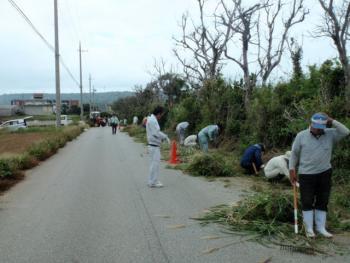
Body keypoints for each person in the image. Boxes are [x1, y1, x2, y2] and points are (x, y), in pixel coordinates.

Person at [289, 113, 349, 238]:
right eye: (316, 127)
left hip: (325, 173)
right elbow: (294, 154)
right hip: (306, 174)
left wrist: (332, 121)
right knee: (307, 201)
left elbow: (346, 132)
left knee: (323, 201)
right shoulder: (301, 136)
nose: (318, 130)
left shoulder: (330, 134)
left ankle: (321, 228)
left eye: (321, 127)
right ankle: (309, 229)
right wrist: (291, 169)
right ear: (311, 124)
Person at [146, 106, 170, 188]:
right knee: (155, 164)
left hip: (153, 145)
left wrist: (163, 136)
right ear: (158, 113)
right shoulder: (152, 121)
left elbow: (156, 132)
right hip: (153, 146)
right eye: (161, 114)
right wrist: (164, 137)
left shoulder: (152, 119)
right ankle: (153, 182)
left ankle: (152, 180)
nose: (161, 116)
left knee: (154, 164)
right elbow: (156, 133)